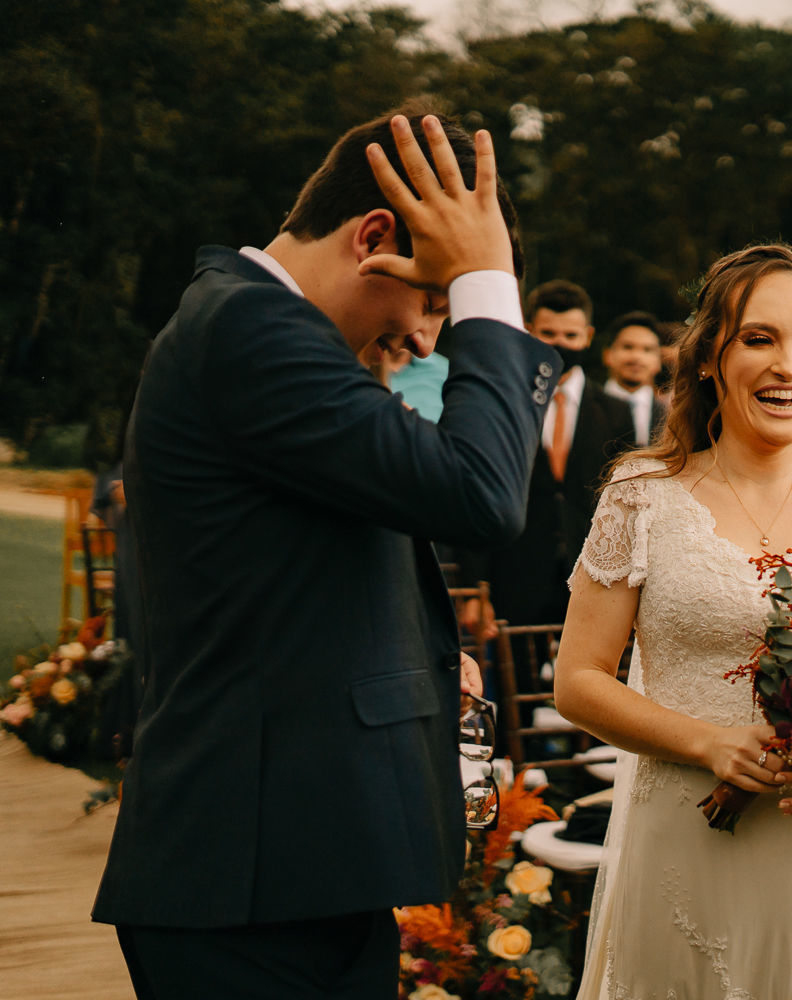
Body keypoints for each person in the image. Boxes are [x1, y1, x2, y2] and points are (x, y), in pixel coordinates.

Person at [92, 106, 560, 999]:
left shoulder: (254, 327)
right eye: (433, 301)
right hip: (254, 892)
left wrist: (423, 662)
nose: (429, 340)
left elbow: (280, 582)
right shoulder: (251, 330)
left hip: (287, 872)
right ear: (374, 235)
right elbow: (482, 494)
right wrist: (488, 287)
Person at [554, 244, 792, 999]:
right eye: (760, 338)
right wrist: (709, 741)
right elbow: (579, 681)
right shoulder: (642, 494)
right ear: (709, 358)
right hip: (687, 848)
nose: (790, 365)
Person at [455, 279, 635, 640]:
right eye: (548, 333)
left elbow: (631, 501)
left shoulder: (616, 412)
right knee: (517, 686)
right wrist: (476, 585)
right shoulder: (504, 402)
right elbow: (475, 489)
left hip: (594, 578)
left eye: (570, 336)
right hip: (516, 575)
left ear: (587, 336)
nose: (560, 344)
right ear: (529, 331)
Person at [600, 309, 667, 446]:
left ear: (659, 361)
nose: (636, 357)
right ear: (607, 355)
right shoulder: (584, 409)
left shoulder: (670, 418)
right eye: (627, 347)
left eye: (647, 350)